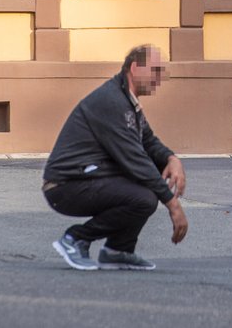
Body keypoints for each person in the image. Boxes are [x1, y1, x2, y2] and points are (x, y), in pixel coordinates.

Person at [42, 44, 188, 271]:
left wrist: (172, 159)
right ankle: (75, 239)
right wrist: (173, 204)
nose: (160, 78)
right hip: (66, 185)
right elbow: (135, 160)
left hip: (88, 178)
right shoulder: (111, 101)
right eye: (155, 70)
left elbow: (148, 141)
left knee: (145, 195)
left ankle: (118, 250)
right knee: (143, 197)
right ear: (135, 67)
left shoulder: (127, 102)